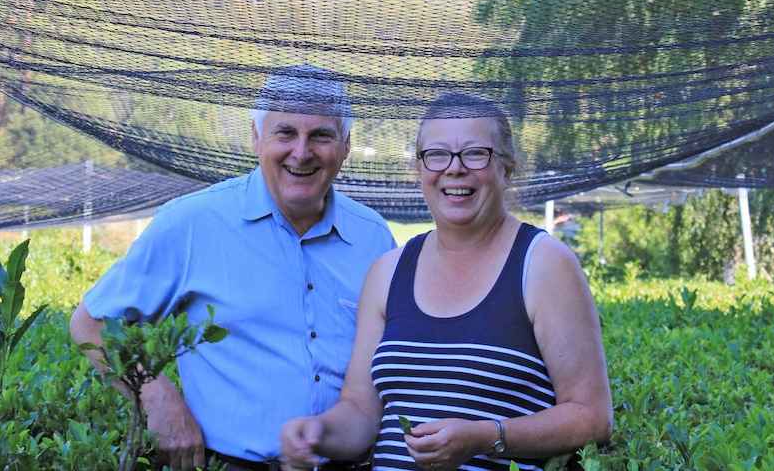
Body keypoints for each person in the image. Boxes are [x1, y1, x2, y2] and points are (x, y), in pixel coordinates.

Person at [70, 65, 397, 471]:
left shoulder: (374, 238)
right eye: (285, 133)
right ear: (256, 138)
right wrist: (157, 397)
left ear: (345, 146)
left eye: (321, 136)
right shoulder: (192, 223)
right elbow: (91, 323)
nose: (301, 152)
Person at [280, 94, 613, 471]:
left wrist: (486, 437)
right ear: (419, 169)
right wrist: (317, 432)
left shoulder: (543, 264)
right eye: (437, 155)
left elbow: (593, 418)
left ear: (506, 169)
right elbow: (360, 412)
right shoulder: (389, 272)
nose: (455, 169)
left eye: (475, 153)